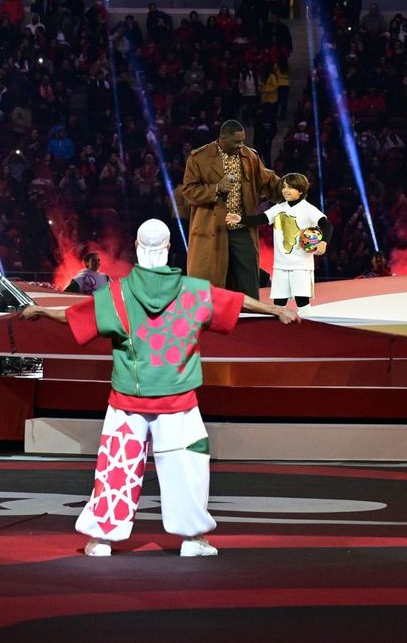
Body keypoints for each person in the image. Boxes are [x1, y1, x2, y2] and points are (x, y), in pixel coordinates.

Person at [21, 219, 300, 556]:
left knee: (116, 470)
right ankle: (192, 539)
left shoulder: (117, 294)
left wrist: (41, 311)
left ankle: (101, 539)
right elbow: (237, 302)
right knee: (188, 470)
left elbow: (74, 316)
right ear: (168, 249)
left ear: (137, 249)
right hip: (178, 401)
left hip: (127, 401)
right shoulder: (193, 291)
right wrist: (274, 309)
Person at [180, 120, 281, 297]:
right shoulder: (199, 158)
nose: (240, 146)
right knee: (211, 280)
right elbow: (188, 191)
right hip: (212, 229)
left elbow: (268, 181)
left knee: (248, 279)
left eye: (242, 141)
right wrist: (216, 188)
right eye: (236, 142)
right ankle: (212, 318)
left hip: (241, 227)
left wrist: (291, 187)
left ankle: (250, 318)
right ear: (223, 138)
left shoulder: (249, 156)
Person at [227, 171, 329, 309]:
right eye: (284, 187)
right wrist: (240, 219)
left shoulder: (308, 209)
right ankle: (279, 330)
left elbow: (327, 225)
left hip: (301, 265)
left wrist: (323, 242)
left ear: (300, 190)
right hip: (280, 266)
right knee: (279, 304)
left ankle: (309, 329)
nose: (285, 190)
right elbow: (260, 219)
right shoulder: (279, 208)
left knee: (302, 302)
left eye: (290, 187)